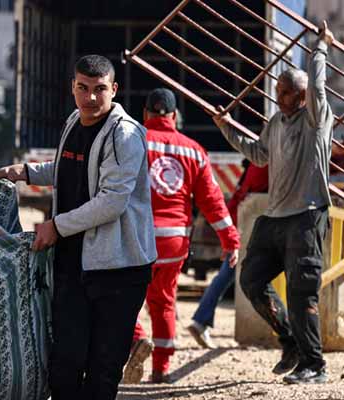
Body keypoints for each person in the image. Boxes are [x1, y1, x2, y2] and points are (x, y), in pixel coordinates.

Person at [0, 54, 157, 399]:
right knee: (65, 363)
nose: (91, 98)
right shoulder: (74, 122)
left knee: (102, 369)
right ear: (73, 88)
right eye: (83, 88)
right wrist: (26, 172)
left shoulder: (124, 136)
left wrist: (56, 225)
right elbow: (71, 168)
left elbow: (112, 201)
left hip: (118, 268)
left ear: (114, 89)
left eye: (99, 89)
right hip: (73, 263)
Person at [212, 21, 335, 384]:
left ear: (301, 97)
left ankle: (315, 364)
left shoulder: (316, 120)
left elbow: (317, 85)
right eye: (278, 91)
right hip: (275, 217)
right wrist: (227, 126)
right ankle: (289, 341)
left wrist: (321, 47)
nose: (279, 97)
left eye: (286, 92)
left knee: (302, 292)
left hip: (307, 217)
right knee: (250, 279)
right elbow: (259, 155)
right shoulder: (276, 122)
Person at [124, 88, 240, 384]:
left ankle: (137, 339)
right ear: (174, 116)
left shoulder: (132, 142)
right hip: (175, 242)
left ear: (146, 114)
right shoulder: (193, 150)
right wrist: (230, 239)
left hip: (138, 238)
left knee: (121, 298)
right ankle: (161, 369)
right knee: (163, 302)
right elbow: (211, 200)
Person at [188, 161, 268, 349]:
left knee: (228, 273)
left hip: (242, 218)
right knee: (231, 273)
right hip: (251, 221)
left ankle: (201, 319)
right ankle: (201, 320)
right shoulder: (272, 159)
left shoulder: (259, 161)